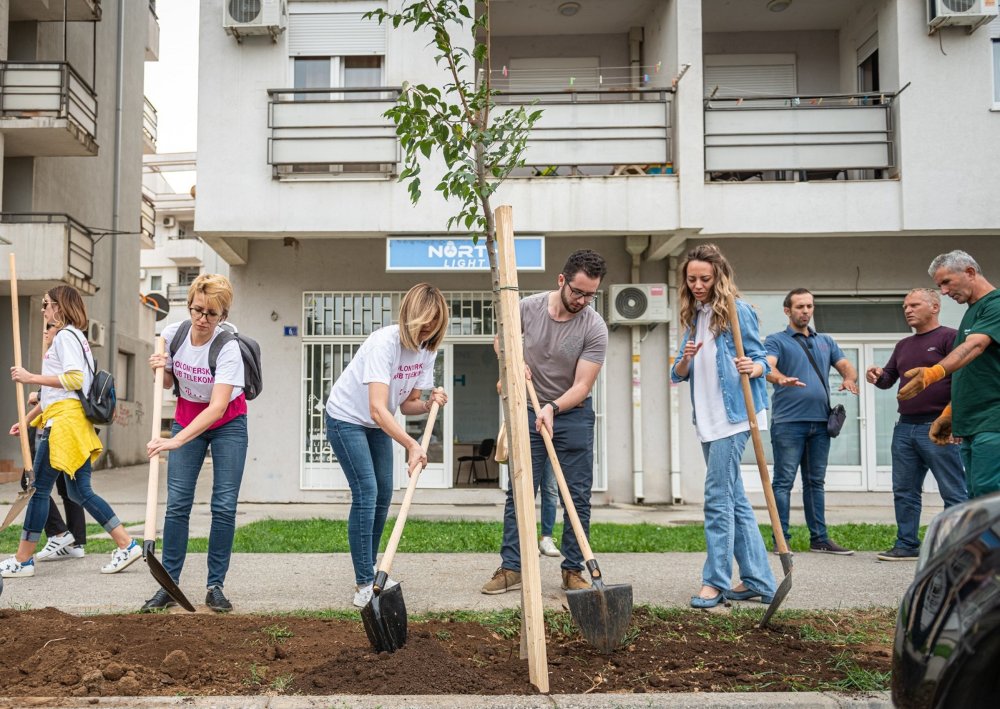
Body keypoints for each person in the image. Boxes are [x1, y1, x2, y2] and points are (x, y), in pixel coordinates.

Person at [481, 250, 608, 595]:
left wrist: (552, 407)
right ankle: (511, 567)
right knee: (520, 490)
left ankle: (572, 569)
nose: (582, 300)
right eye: (577, 292)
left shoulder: (594, 327)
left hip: (573, 413)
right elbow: (500, 339)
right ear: (561, 280)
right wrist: (511, 359)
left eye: (590, 294)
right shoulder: (528, 308)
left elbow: (582, 385)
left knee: (576, 496)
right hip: (528, 409)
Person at [3, 286, 141, 579]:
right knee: (80, 492)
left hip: (64, 425)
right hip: (72, 421)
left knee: (39, 490)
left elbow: (73, 379)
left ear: (60, 307)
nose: (43, 310)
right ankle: (127, 544)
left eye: (46, 304)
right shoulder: (75, 338)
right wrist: (27, 419)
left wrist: (30, 377)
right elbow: (62, 393)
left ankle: (23, 560)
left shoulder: (66, 336)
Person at [324, 283, 449, 608]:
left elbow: (408, 404)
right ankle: (364, 581)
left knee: (383, 494)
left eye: (434, 323)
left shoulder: (427, 349)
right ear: (409, 315)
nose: (427, 329)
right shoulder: (384, 343)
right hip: (347, 418)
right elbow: (379, 407)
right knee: (366, 491)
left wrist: (428, 404)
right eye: (423, 321)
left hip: (376, 422)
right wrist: (411, 444)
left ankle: (373, 571)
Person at [670, 244, 777, 607]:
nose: (698, 285)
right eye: (692, 279)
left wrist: (755, 368)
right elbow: (677, 374)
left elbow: (761, 359)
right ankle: (760, 581)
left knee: (717, 499)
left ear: (718, 277)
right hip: (709, 419)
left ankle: (714, 582)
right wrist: (684, 359)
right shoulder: (695, 316)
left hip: (735, 417)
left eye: (704, 278)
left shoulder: (737, 311)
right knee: (736, 501)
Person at [143, 274, 249, 613]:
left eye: (211, 313)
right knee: (177, 504)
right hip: (187, 418)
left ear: (224, 315)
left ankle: (215, 586)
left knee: (223, 505)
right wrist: (161, 369)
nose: (202, 319)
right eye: (197, 310)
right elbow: (170, 383)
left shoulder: (228, 348)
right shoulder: (172, 335)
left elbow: (217, 406)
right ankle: (168, 585)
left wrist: (175, 441)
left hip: (228, 423)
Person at [867, 288, 967, 561]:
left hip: (938, 428)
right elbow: (888, 379)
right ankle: (906, 544)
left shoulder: (950, 338)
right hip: (905, 429)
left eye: (914, 304)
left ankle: (959, 548)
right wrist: (876, 374)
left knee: (953, 491)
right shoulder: (903, 345)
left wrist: (952, 420)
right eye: (904, 306)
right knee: (904, 490)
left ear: (934, 307)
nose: (907, 309)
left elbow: (963, 380)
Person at [765, 288, 859, 555]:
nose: (805, 311)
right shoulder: (777, 340)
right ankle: (781, 540)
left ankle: (820, 539)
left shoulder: (825, 341)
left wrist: (849, 378)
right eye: (799, 307)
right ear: (788, 311)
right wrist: (780, 378)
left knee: (815, 482)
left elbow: (845, 366)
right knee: (783, 482)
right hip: (788, 423)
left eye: (809, 306)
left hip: (820, 423)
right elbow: (768, 366)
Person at [898, 250, 1000, 499]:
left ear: (970, 272)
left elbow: (974, 347)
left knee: (989, 496)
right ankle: (979, 540)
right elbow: (975, 374)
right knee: (976, 497)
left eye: (946, 282)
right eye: (939, 285)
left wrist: (934, 372)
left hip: (993, 423)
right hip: (973, 424)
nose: (943, 291)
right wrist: (950, 413)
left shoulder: (996, 305)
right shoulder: (972, 312)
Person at [22, 323, 88, 561]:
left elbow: (72, 384)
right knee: (70, 487)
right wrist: (27, 420)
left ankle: (60, 534)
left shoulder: (67, 345)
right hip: (53, 424)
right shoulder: (60, 352)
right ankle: (74, 540)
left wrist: (35, 389)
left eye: (49, 326)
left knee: (36, 484)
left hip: (61, 425)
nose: (45, 329)